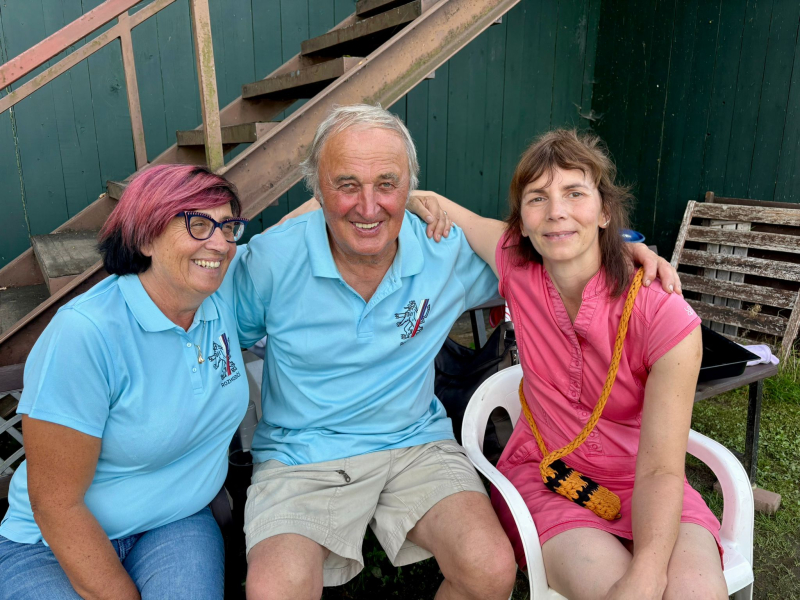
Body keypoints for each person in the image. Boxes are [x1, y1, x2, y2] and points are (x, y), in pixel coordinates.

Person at [234, 104, 679, 600]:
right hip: (302, 454)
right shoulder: (272, 259)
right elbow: (210, 318)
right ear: (317, 189)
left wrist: (619, 249)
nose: (369, 206)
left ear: (410, 186)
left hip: (414, 443)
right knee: (275, 589)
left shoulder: (441, 247)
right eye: (346, 185)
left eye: (387, 184)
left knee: (488, 568)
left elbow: (550, 249)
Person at [410, 129, 727, 600]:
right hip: (549, 477)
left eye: (575, 193)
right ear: (522, 223)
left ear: (605, 212)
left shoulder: (665, 317)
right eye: (537, 198)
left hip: (648, 481)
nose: (556, 211)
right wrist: (409, 197)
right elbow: (450, 211)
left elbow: (661, 469)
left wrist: (648, 572)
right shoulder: (517, 267)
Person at [0, 165, 251, 600]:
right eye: (198, 224)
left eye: (228, 226)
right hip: (53, 544)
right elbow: (56, 504)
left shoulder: (219, 296)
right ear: (144, 237)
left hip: (175, 521)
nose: (220, 243)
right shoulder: (86, 334)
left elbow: (300, 241)